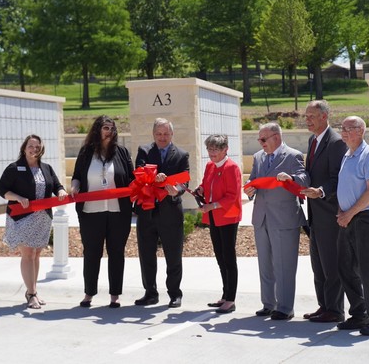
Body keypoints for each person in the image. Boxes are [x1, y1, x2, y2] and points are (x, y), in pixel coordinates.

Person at [244, 122, 309, 320]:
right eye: (259, 139)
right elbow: (253, 180)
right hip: (261, 218)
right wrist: (249, 189)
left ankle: (285, 307)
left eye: (263, 139)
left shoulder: (292, 155)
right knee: (265, 264)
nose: (260, 143)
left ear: (276, 137)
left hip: (284, 219)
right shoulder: (258, 157)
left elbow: (304, 179)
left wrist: (290, 177)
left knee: (285, 265)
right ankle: (268, 304)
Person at [0, 134, 68, 309]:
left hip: (42, 218)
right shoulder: (14, 168)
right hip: (22, 217)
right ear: (24, 148)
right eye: (31, 146)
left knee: (36, 254)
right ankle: (31, 293)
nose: (34, 149)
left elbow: (58, 185)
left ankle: (33, 290)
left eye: (37, 147)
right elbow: (2, 190)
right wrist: (18, 197)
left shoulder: (46, 168)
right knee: (27, 255)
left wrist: (61, 192)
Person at [71, 116, 134, 308]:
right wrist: (74, 186)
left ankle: (115, 295)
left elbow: (132, 179)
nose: (110, 131)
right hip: (91, 212)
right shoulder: (86, 152)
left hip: (118, 211)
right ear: (97, 130)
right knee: (91, 253)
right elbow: (76, 177)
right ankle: (89, 293)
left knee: (116, 253)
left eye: (112, 128)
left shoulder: (122, 152)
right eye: (106, 128)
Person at [336, 116, 369, 336]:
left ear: (361, 131)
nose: (343, 132)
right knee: (346, 268)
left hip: (365, 218)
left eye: (348, 128)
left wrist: (349, 213)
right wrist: (342, 211)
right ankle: (360, 315)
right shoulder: (347, 156)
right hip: (348, 218)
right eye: (342, 128)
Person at [299, 100, 348, 323]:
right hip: (314, 214)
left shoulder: (336, 143)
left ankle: (335, 310)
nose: (307, 119)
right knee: (318, 264)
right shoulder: (312, 140)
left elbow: (337, 179)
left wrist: (320, 191)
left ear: (324, 117)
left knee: (331, 265)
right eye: (306, 116)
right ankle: (324, 306)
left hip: (329, 213)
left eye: (311, 116)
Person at [134, 118, 189, 308]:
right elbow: (139, 175)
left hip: (171, 212)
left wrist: (177, 190)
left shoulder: (182, 154)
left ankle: (175, 294)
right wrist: (153, 178)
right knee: (146, 255)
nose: (162, 137)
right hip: (147, 212)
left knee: (173, 256)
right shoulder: (145, 151)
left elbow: (184, 181)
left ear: (172, 134)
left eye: (166, 134)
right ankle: (150, 293)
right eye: (159, 134)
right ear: (153, 134)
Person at [196, 135, 242, 314]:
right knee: (220, 256)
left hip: (228, 217)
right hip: (214, 217)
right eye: (209, 149)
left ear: (225, 149)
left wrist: (211, 205)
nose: (212, 153)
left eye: (216, 149)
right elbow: (206, 185)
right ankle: (225, 295)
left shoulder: (232, 168)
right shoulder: (210, 166)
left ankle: (231, 299)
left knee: (229, 258)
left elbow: (232, 196)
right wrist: (201, 189)